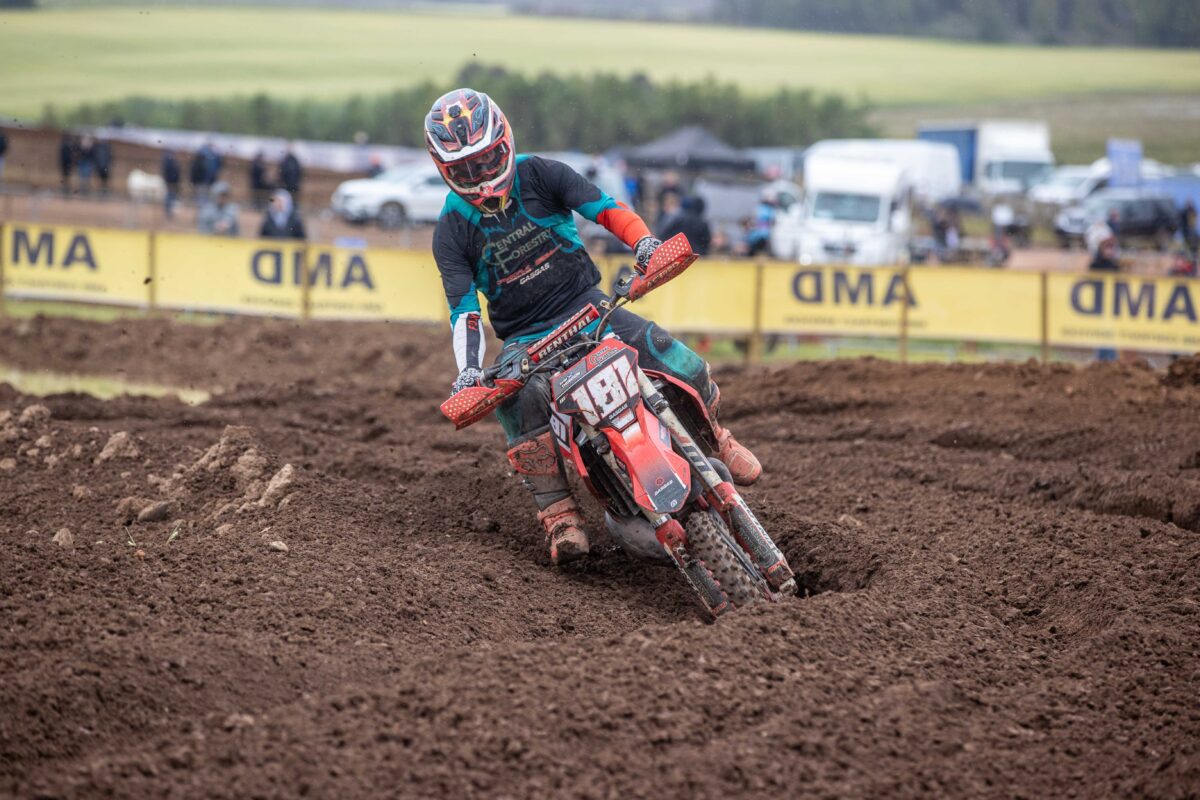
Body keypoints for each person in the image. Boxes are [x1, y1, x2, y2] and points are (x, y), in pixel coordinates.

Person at [426, 88, 760, 566]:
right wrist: (468, 372)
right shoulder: (451, 227)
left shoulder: (541, 174)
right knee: (517, 404)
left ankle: (717, 439)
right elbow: (464, 310)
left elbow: (603, 208)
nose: (480, 177)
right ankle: (559, 513)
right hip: (525, 337)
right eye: (465, 170)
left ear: (505, 142)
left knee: (672, 354)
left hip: (588, 305)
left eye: (486, 161)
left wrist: (644, 245)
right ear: (444, 169)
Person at [161, 150, 181, 218]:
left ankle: (169, 212)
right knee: (170, 198)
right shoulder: (171, 163)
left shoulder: (168, 162)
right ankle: (169, 213)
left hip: (171, 183)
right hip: (171, 183)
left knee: (170, 198)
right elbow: (172, 173)